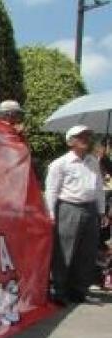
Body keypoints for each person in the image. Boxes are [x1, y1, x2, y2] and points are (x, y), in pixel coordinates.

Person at [45, 125, 106, 305]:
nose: (85, 139)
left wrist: (101, 211)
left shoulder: (93, 162)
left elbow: (98, 187)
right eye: (80, 136)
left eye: (87, 136)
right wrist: (51, 213)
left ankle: (79, 290)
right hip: (68, 208)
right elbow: (51, 190)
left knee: (87, 252)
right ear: (70, 141)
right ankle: (59, 291)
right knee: (65, 251)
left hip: (90, 208)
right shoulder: (60, 164)